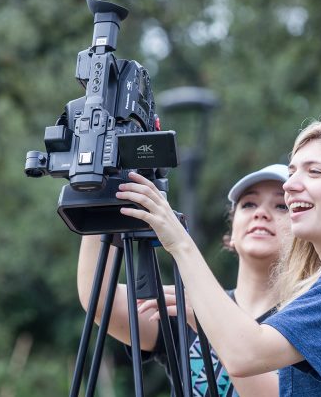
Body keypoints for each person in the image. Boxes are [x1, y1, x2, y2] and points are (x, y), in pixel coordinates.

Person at [116, 115, 321, 396]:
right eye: (293, 171)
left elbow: (244, 353)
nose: (290, 185)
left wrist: (179, 243)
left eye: (314, 172)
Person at [77, 164, 290, 396]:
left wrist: (210, 327)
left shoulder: (307, 318)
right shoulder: (185, 305)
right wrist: (101, 184)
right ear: (230, 236)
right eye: (249, 204)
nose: (261, 213)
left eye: (281, 206)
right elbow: (101, 301)